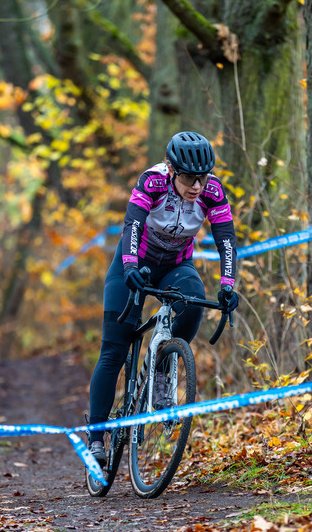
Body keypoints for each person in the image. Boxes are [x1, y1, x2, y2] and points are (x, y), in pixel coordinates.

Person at [88, 131, 239, 466]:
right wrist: (129, 267)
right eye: (188, 178)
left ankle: (163, 370)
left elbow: (226, 240)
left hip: (175, 266)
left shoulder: (212, 191)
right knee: (114, 347)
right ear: (172, 170)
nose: (196, 186)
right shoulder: (153, 182)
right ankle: (96, 437)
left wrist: (228, 285)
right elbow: (132, 225)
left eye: (201, 178)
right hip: (134, 263)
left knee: (194, 299)